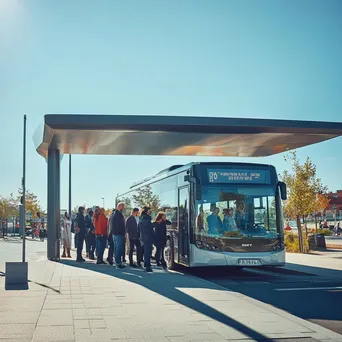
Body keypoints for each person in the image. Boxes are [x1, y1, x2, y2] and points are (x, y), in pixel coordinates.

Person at [138, 207, 155, 272]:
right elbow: (150, 230)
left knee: (146, 252)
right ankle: (148, 266)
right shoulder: (147, 220)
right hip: (148, 237)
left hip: (143, 237)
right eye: (149, 211)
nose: (150, 212)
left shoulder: (141, 219)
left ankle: (146, 264)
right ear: (146, 212)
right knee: (148, 252)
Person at [111, 202, 126, 269]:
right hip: (118, 234)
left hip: (116, 233)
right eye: (123, 206)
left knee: (117, 248)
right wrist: (122, 232)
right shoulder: (117, 214)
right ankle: (118, 263)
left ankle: (118, 262)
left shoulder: (116, 214)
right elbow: (118, 225)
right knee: (118, 249)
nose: (124, 207)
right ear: (119, 206)